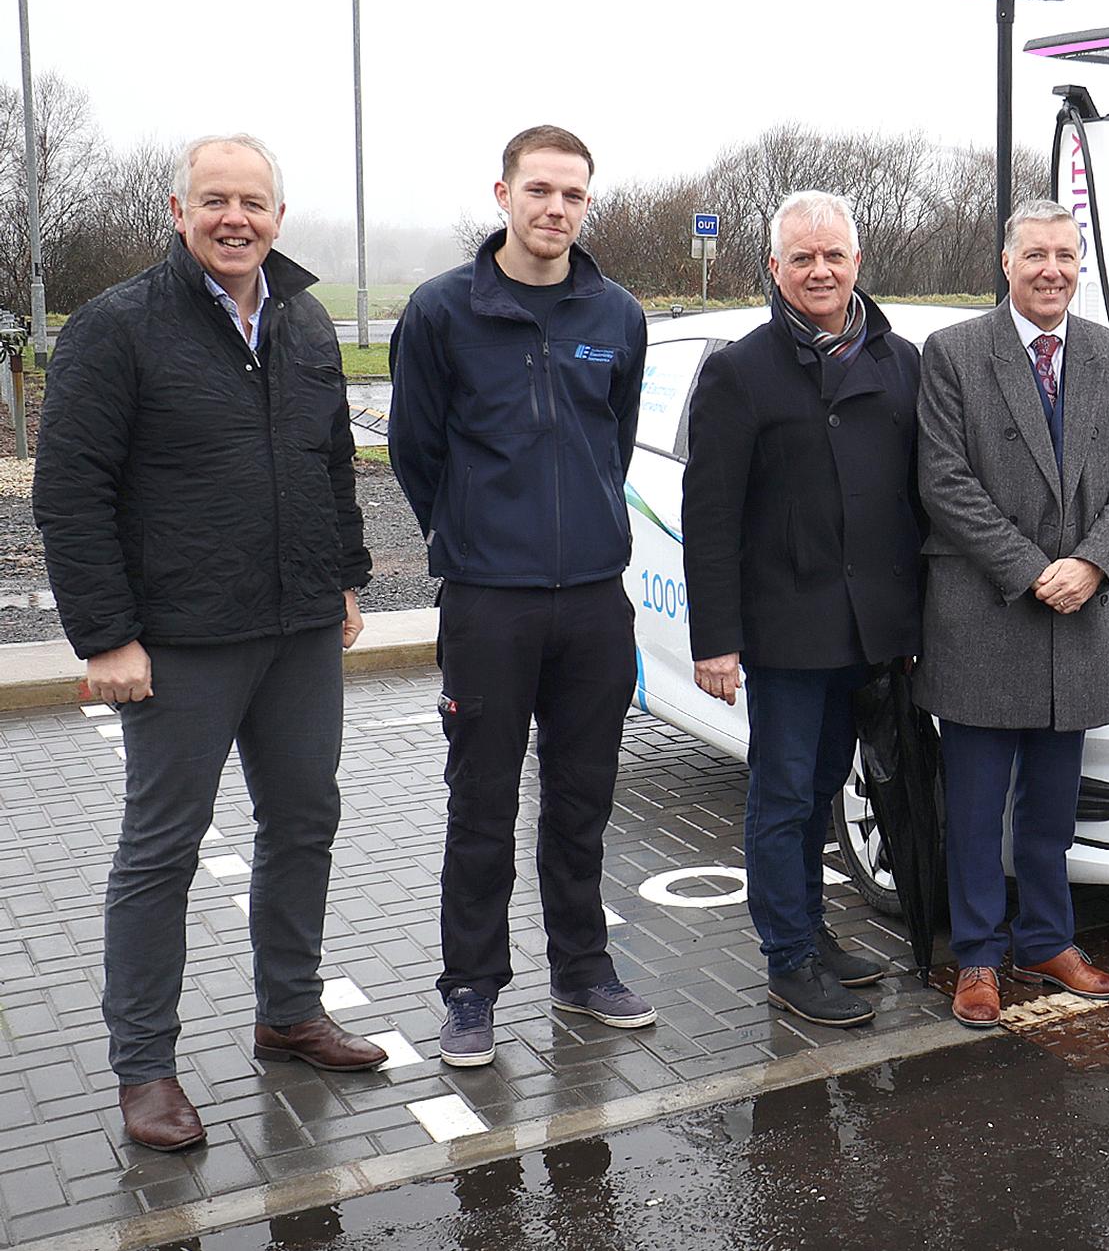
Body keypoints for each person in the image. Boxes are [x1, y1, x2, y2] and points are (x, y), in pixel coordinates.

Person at [35, 134, 383, 1152]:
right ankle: (144, 1068)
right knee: (161, 851)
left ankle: (290, 1012)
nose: (238, 219)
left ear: (280, 215)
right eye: (216, 200)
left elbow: (330, 461)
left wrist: (346, 575)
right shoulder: (117, 327)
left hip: (299, 628)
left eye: (256, 202)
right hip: (181, 640)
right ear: (177, 210)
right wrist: (105, 637)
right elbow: (71, 491)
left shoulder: (306, 319)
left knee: (305, 821)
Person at [390, 125, 652, 1066]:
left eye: (572, 194)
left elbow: (610, 445)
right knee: (482, 803)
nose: (554, 208)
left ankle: (583, 969)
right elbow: (416, 450)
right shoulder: (440, 311)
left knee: (581, 800)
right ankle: (470, 988)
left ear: (588, 204)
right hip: (488, 602)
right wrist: (470, 532)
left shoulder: (616, 315)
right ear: (501, 194)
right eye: (538, 189)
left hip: (592, 601)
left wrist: (579, 527)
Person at [914, 199, 1109, 1029]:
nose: (1051, 269)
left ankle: (1048, 939)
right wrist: (1030, 568)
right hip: (986, 611)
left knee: (1052, 807)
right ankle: (978, 955)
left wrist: (1090, 563)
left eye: (1065, 254)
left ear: (1078, 264)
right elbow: (944, 482)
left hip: (1078, 615)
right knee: (977, 807)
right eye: (1035, 255)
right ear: (1006, 263)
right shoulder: (952, 353)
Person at [682, 191, 921, 1028]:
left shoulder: (899, 359)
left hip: (870, 628)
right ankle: (787, 957)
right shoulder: (739, 369)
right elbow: (708, 515)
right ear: (774, 269)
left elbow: (915, 497)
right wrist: (715, 639)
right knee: (782, 795)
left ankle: (815, 935)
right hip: (787, 630)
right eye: (801, 258)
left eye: (834, 256)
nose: (819, 270)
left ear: (858, 262)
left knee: (824, 785)